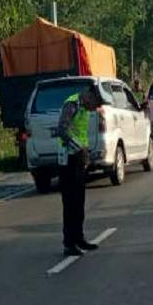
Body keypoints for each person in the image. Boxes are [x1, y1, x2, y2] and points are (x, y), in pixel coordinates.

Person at [57, 83, 105, 257]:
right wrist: (79, 148)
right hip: (68, 159)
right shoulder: (72, 105)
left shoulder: (84, 109)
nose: (94, 108)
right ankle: (69, 243)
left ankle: (79, 238)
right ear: (88, 96)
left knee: (80, 201)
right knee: (70, 203)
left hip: (79, 159)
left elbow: (81, 133)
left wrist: (85, 154)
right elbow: (62, 129)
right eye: (94, 103)